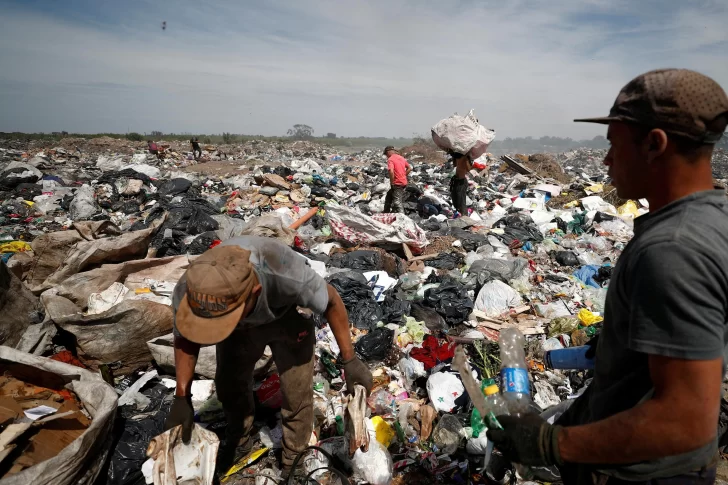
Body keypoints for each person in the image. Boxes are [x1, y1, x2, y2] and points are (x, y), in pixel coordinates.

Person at [487, 68, 728, 484]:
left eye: (614, 145)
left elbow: (686, 420)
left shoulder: (674, 250)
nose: (606, 160)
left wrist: (551, 445)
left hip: (645, 474)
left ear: (655, 144)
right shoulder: (712, 219)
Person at [163, 237, 373, 475]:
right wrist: (182, 397)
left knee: (296, 393)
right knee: (228, 384)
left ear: (255, 292)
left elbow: (333, 302)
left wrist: (350, 360)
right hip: (239, 329)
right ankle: (240, 441)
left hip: (287, 317)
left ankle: (294, 459)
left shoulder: (286, 275)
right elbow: (186, 338)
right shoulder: (192, 290)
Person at [382, 146, 412, 213]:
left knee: (397, 201)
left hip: (397, 183)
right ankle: (386, 212)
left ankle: (402, 217)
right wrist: (404, 175)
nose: (386, 156)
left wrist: (392, 182)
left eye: (386, 154)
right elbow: (409, 168)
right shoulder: (401, 158)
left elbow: (391, 171)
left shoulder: (391, 159)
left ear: (388, 152)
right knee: (389, 196)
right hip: (403, 182)